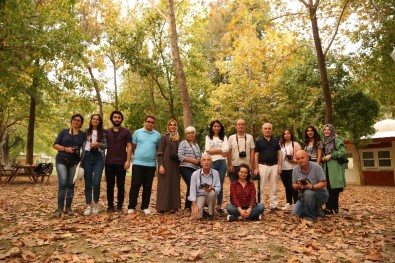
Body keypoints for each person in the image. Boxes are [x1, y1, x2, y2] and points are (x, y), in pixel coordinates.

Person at [53, 114, 85, 217]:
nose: (76, 121)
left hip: (74, 162)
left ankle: (68, 208)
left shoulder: (82, 134)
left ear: (81, 123)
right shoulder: (64, 132)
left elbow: (84, 147)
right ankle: (59, 208)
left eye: (79, 120)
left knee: (71, 185)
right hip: (61, 160)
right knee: (63, 184)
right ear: (71, 121)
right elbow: (55, 145)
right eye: (75, 120)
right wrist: (65, 149)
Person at [128, 115, 161, 215]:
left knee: (147, 186)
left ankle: (145, 206)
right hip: (138, 163)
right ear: (145, 122)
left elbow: (158, 148)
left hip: (151, 164)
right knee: (135, 185)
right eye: (148, 121)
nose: (150, 124)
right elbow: (133, 147)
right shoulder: (137, 133)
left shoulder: (157, 135)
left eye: (152, 122)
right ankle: (131, 207)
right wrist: (138, 156)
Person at [105, 111, 132, 214]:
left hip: (121, 162)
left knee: (121, 185)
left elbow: (129, 146)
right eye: (115, 117)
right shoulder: (106, 132)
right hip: (109, 162)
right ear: (112, 119)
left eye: (119, 117)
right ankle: (110, 206)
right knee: (110, 185)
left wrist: (128, 160)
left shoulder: (126, 132)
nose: (117, 119)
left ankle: (119, 206)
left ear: (121, 119)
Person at [291, 150, 329, 223]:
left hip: (320, 194)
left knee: (308, 192)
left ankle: (309, 217)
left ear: (308, 157)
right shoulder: (295, 170)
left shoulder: (316, 167)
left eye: (302, 158)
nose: (300, 160)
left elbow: (324, 183)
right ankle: (316, 210)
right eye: (298, 159)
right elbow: (293, 185)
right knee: (294, 216)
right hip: (303, 196)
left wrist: (311, 186)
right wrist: (299, 185)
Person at [82, 114, 108, 216]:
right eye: (94, 119)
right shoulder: (86, 132)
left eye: (97, 119)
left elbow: (106, 145)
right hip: (87, 157)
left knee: (96, 182)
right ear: (91, 120)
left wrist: (98, 144)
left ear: (100, 121)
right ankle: (88, 205)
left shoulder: (104, 132)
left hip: (98, 158)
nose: (95, 120)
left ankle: (96, 204)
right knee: (88, 182)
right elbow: (81, 144)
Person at [254, 123, 282, 212]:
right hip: (262, 166)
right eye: (265, 128)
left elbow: (279, 153)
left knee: (273, 187)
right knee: (261, 187)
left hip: (274, 165)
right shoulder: (258, 141)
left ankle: (274, 206)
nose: (267, 130)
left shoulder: (275, 141)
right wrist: (256, 168)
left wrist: (280, 165)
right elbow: (256, 155)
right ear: (262, 130)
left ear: (271, 130)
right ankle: (260, 206)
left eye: (269, 128)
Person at [156, 119, 181, 213]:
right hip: (165, 164)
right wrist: (161, 165)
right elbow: (160, 152)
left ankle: (174, 205)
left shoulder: (178, 138)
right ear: (168, 126)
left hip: (175, 164)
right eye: (170, 124)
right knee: (164, 185)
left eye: (174, 125)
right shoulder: (164, 137)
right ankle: (162, 207)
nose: (172, 126)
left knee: (174, 184)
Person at [205, 120, 229, 215]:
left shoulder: (224, 137)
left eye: (218, 126)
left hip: (222, 163)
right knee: (210, 183)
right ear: (211, 127)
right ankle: (210, 205)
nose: (216, 128)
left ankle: (219, 206)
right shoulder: (208, 137)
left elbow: (226, 149)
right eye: (214, 126)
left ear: (220, 127)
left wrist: (214, 151)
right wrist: (221, 151)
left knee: (220, 184)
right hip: (212, 162)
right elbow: (207, 150)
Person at [322, 124, 346, 214]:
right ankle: (334, 209)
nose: (326, 131)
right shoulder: (323, 141)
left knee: (334, 189)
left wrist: (331, 155)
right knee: (328, 188)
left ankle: (330, 208)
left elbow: (342, 152)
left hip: (335, 168)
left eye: (328, 130)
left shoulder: (337, 140)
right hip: (326, 168)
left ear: (332, 131)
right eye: (325, 130)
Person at [178, 126, 201, 216]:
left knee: (197, 185)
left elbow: (199, 157)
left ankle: (198, 206)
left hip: (196, 169)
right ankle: (187, 208)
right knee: (191, 184)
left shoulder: (196, 145)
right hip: (185, 167)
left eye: (192, 133)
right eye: (189, 133)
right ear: (186, 135)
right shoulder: (183, 143)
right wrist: (193, 161)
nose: (191, 134)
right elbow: (180, 156)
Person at [189, 154, 221, 220]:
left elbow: (218, 188)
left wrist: (212, 188)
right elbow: (192, 191)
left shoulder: (216, 173)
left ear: (211, 163)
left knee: (212, 193)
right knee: (196, 217)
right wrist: (194, 206)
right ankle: (202, 211)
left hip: (210, 195)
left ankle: (210, 213)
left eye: (208, 160)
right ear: (201, 163)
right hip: (200, 196)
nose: (206, 162)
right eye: (204, 160)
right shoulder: (195, 174)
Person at [279, 128, 301, 211]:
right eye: (285, 134)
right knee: (286, 186)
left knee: (293, 186)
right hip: (283, 167)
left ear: (291, 134)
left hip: (293, 167)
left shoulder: (295, 144)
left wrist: (293, 160)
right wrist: (279, 166)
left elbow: (300, 157)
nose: (286, 135)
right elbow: (279, 156)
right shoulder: (280, 144)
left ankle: (296, 203)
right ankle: (288, 203)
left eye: (288, 133)